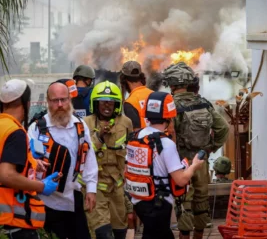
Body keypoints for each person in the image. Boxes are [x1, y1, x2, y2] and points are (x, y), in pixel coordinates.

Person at [163, 62, 229, 239]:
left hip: (181, 163)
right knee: (201, 202)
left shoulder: (171, 105)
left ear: (173, 83)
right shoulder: (203, 103)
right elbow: (223, 129)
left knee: (184, 203)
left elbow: (168, 135)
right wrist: (209, 150)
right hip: (201, 161)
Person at [125, 91, 204, 239]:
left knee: (150, 234)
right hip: (158, 204)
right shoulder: (165, 144)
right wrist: (194, 165)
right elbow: (181, 180)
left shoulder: (136, 137)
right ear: (168, 117)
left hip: (139, 200)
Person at [28, 81, 98, 239]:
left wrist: (92, 189)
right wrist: (35, 163)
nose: (60, 104)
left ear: (69, 100)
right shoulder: (37, 128)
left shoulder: (80, 126)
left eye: (63, 99)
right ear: (48, 101)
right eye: (55, 100)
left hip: (73, 199)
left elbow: (90, 159)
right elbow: (27, 158)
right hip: (45, 202)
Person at [0, 79, 59, 239]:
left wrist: (32, 163)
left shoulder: (2, 126)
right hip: (14, 224)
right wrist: (41, 186)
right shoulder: (15, 133)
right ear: (26, 103)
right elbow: (6, 175)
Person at [82, 80, 133, 239]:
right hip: (95, 187)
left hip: (117, 188)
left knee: (120, 232)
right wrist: (100, 136)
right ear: (95, 104)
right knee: (102, 233)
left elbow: (130, 153)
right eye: (103, 102)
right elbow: (83, 153)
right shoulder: (86, 123)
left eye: (111, 103)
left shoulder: (126, 123)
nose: (106, 106)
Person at [120, 61, 153, 131]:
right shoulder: (154, 94)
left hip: (144, 141)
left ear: (125, 80)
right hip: (163, 139)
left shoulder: (130, 102)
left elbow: (136, 132)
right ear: (141, 77)